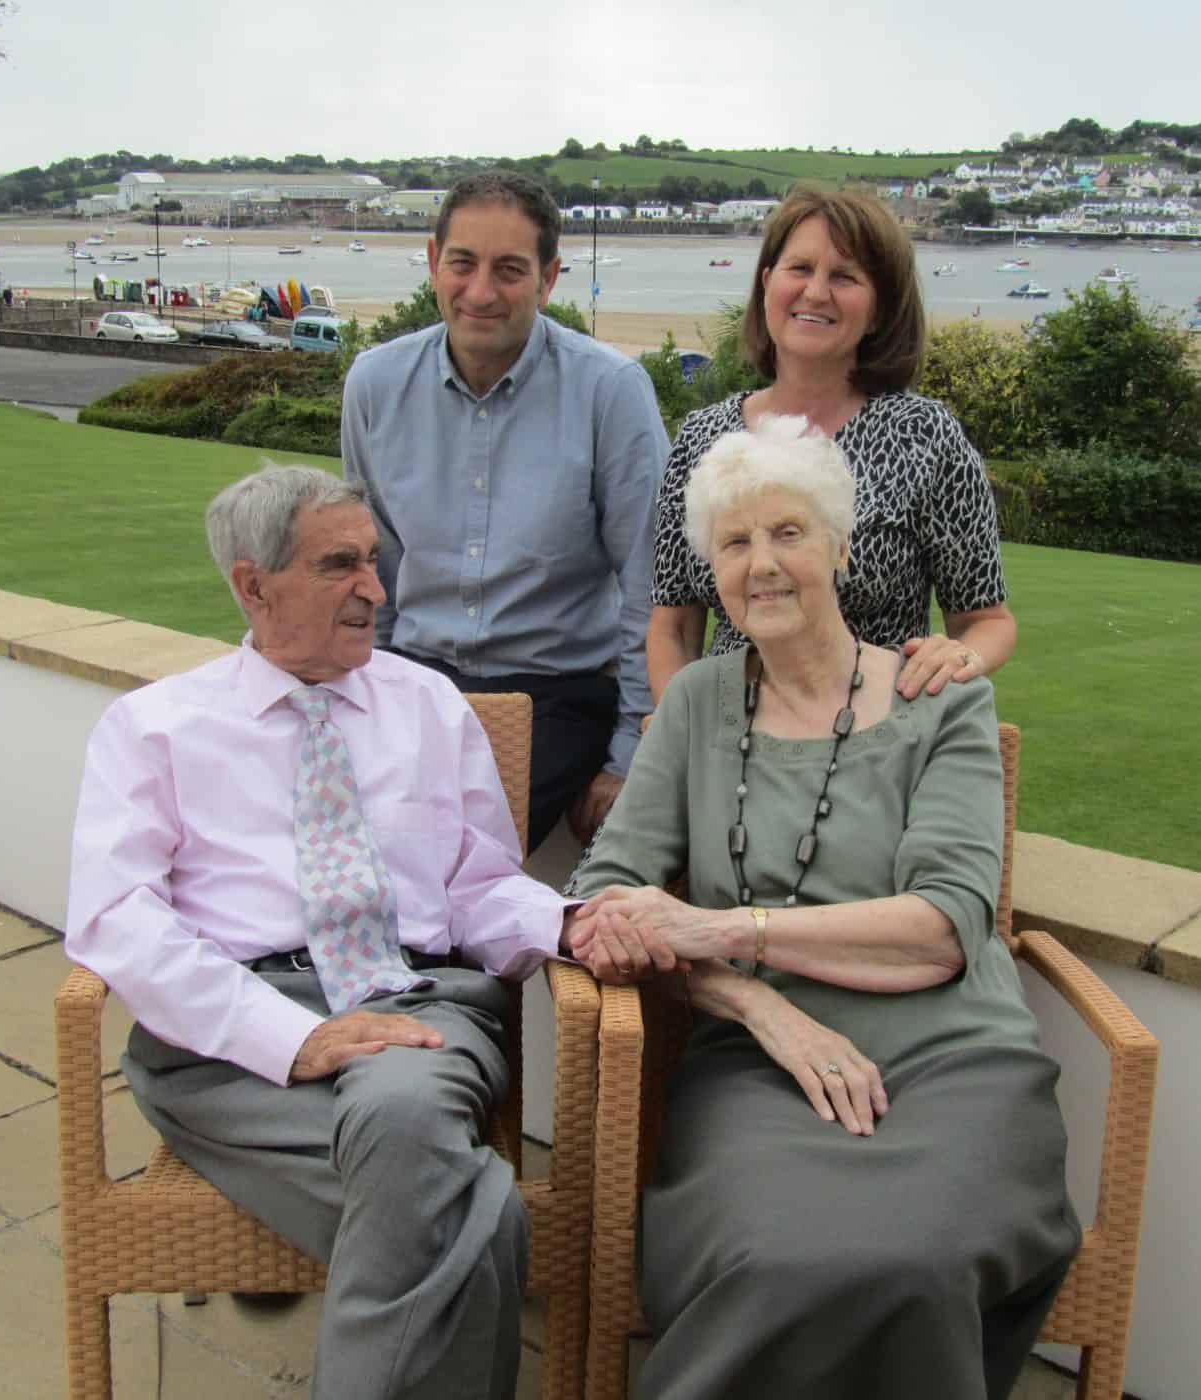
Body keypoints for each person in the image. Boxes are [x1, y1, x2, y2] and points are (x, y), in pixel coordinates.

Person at [567, 417, 1077, 1400]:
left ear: (841, 546)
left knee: (911, 1262)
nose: (760, 564)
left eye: (787, 533)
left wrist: (720, 928)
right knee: (777, 1258)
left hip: (952, 1056)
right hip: (756, 1067)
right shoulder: (695, 705)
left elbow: (940, 927)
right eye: (732, 542)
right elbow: (598, 900)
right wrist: (757, 1003)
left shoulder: (942, 699)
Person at [65, 465, 578, 1400]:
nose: (376, 590)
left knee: (405, 1112)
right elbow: (114, 919)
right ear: (253, 586)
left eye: (375, 563)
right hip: (226, 1039)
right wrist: (291, 1037)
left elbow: (482, 886)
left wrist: (575, 923)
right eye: (341, 564)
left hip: (413, 1006)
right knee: (476, 1209)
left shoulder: (427, 704)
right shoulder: (153, 728)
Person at [341, 170, 669, 849]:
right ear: (434, 263)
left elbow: (651, 587)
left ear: (549, 279)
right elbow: (372, 571)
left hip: (552, 696)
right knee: (317, 829)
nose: (481, 292)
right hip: (415, 683)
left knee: (448, 851)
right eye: (462, 263)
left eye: (510, 270)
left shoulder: (610, 392)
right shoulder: (374, 385)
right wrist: (358, 704)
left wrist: (630, 758)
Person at [648, 187, 1016, 706]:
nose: (816, 293)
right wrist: (678, 729)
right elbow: (673, 625)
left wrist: (960, 656)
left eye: (844, 276)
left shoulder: (927, 437)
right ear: (767, 281)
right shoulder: (703, 439)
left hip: (871, 736)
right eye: (799, 268)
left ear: (880, 308)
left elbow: (986, 621)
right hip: (728, 736)